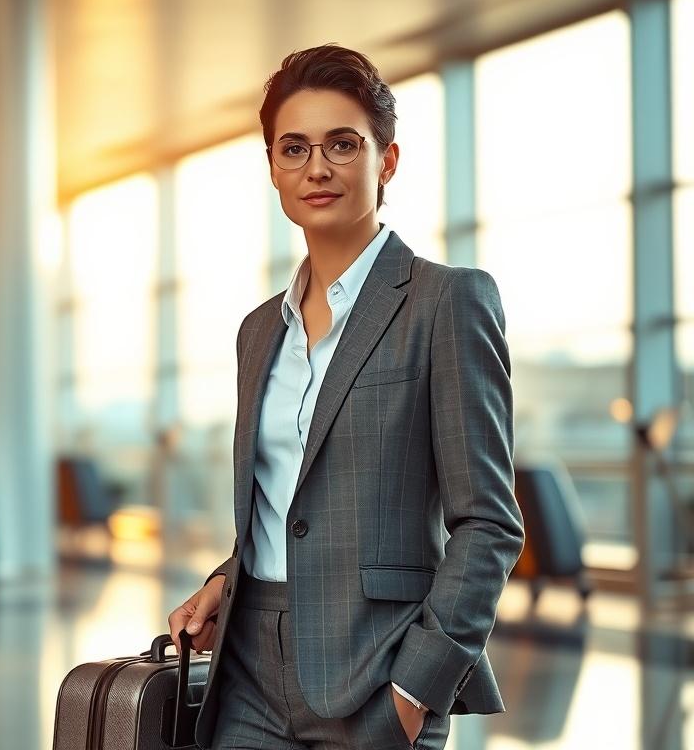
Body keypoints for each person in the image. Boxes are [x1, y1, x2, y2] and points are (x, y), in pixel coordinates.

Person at [167, 45, 525, 750]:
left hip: (376, 671)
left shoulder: (445, 303)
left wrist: (413, 692)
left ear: (386, 160)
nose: (317, 168)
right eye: (293, 149)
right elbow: (284, 510)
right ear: (272, 166)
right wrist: (224, 578)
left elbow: (488, 523)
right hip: (247, 674)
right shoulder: (258, 331)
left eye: (342, 144)